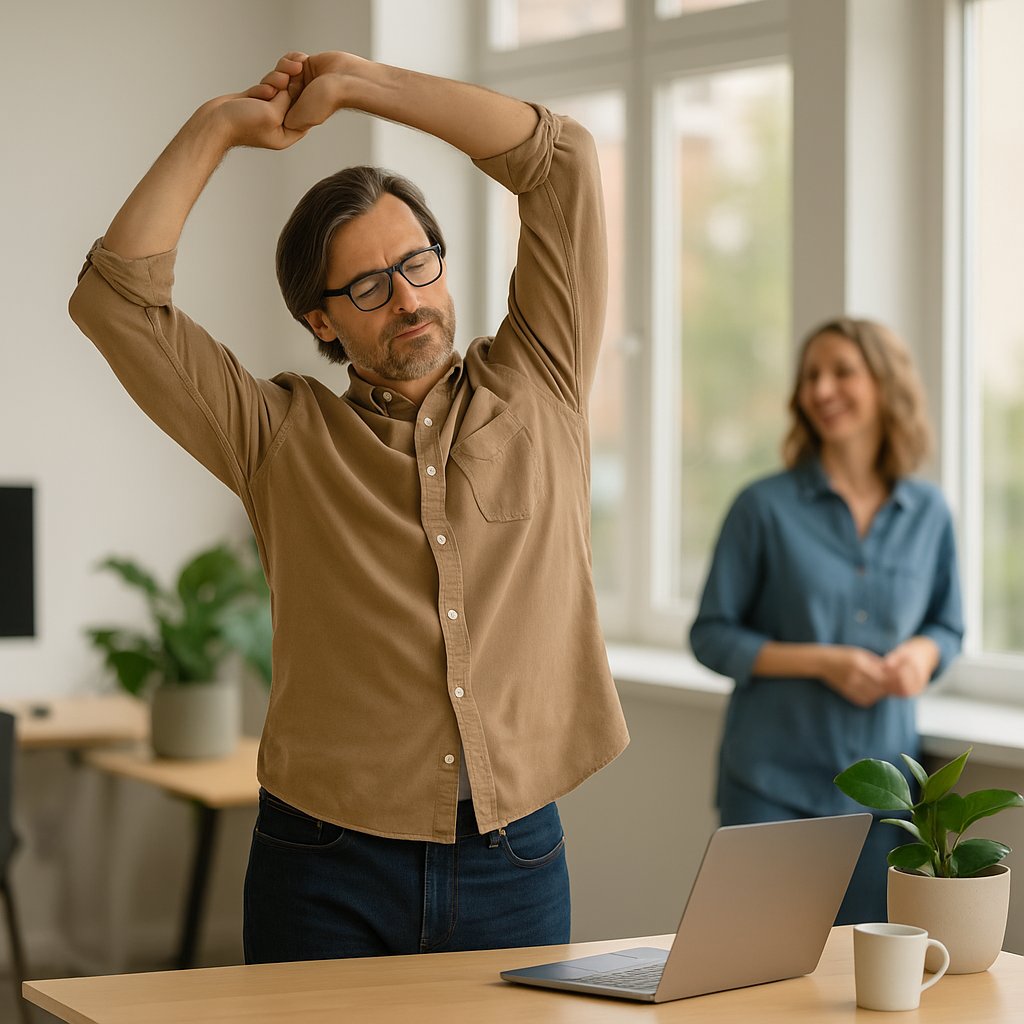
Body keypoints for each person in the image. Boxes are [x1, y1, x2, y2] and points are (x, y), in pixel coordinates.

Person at [69, 50, 629, 962]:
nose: (407, 298)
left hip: (514, 855)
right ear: (321, 321)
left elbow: (560, 159)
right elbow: (115, 303)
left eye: (417, 263)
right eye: (369, 285)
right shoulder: (276, 437)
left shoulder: (542, 379)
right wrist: (219, 126)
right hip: (324, 863)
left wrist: (365, 87)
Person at [689, 317, 963, 925]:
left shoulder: (929, 513)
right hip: (769, 784)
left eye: (842, 372)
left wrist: (921, 656)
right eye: (810, 375)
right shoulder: (761, 507)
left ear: (885, 384)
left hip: (885, 796)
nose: (821, 389)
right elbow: (710, 635)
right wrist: (822, 662)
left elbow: (948, 626)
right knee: (756, 960)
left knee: (863, 969)